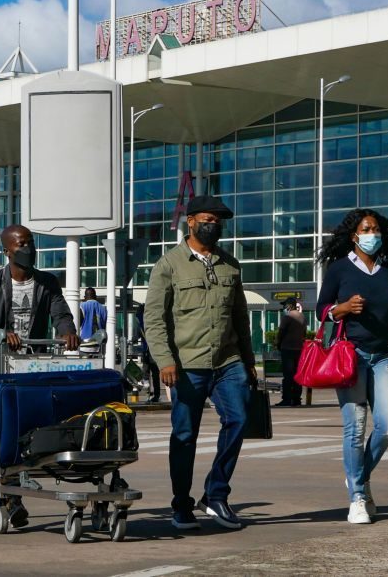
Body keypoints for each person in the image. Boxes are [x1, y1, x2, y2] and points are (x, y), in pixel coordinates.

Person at [144, 195, 256, 531]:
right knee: (184, 435)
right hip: (186, 363)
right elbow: (154, 318)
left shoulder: (230, 265)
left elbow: (240, 317)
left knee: (239, 419)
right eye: (207, 219)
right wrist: (164, 360)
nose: (213, 225)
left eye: (218, 221)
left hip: (228, 360)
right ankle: (181, 505)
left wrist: (248, 360)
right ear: (190, 221)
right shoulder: (169, 265)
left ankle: (216, 494)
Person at [315, 208, 388, 525]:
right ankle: (358, 498)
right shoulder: (338, 270)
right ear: (354, 235)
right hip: (350, 355)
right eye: (366, 228)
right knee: (355, 428)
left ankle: (357, 475)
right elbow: (321, 309)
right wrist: (343, 308)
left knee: (387, 425)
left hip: (383, 356)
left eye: (375, 228)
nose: (371, 233)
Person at [0, 224, 80, 527]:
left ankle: (6, 496)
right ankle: (4, 493)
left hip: (33, 370)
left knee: (26, 433)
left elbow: (61, 313)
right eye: (21, 244)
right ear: (7, 250)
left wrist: (68, 332)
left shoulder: (47, 282)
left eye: (31, 242)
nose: (28, 248)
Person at [275, 297, 306, 407]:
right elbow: (304, 333)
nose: (284, 307)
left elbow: (281, 332)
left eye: (285, 305)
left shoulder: (287, 317)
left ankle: (287, 399)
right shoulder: (302, 317)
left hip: (287, 349)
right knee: (297, 375)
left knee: (288, 375)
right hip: (299, 349)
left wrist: (277, 343)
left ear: (290, 305)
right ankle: (297, 399)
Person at [135, 302, 161, 403]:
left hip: (147, 349)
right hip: (154, 348)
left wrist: (134, 339)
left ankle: (147, 389)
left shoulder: (141, 320)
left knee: (147, 371)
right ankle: (156, 394)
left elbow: (138, 334)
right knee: (155, 374)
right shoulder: (152, 318)